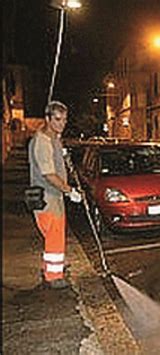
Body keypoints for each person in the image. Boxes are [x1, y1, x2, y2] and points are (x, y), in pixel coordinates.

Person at [28, 100, 82, 289]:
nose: (62, 124)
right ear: (47, 118)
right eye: (57, 119)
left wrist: (62, 152)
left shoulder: (54, 138)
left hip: (53, 197)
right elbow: (49, 174)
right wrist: (70, 191)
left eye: (64, 120)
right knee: (55, 235)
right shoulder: (43, 141)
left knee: (53, 236)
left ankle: (50, 266)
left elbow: (56, 165)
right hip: (48, 197)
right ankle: (53, 276)